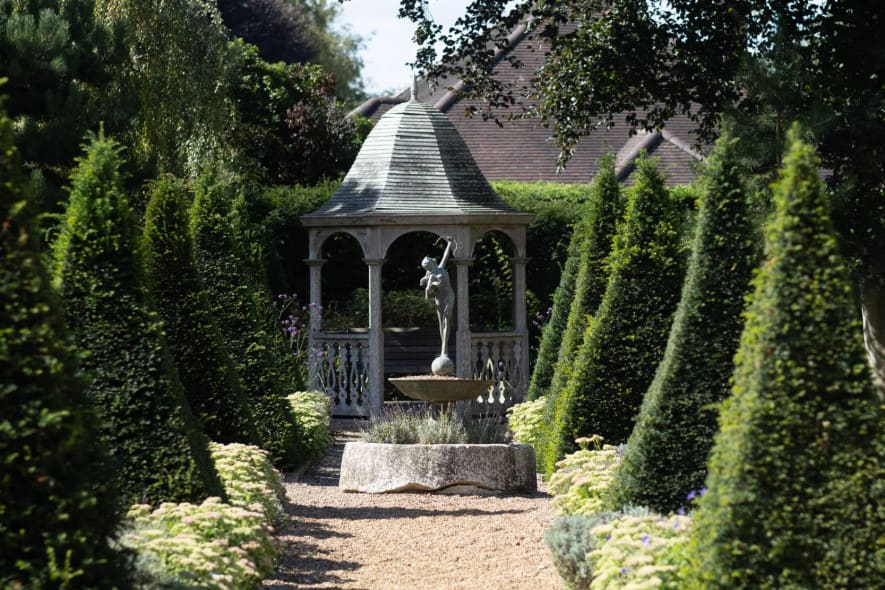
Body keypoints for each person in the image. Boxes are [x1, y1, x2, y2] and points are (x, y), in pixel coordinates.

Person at [420, 236, 456, 358]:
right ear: (429, 265)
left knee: (447, 322)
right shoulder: (431, 275)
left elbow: (446, 255)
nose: (432, 259)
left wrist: (449, 243)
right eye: (430, 260)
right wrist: (427, 290)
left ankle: (444, 350)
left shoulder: (440, 268)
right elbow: (427, 289)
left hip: (449, 297)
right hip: (439, 300)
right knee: (441, 324)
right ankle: (443, 349)